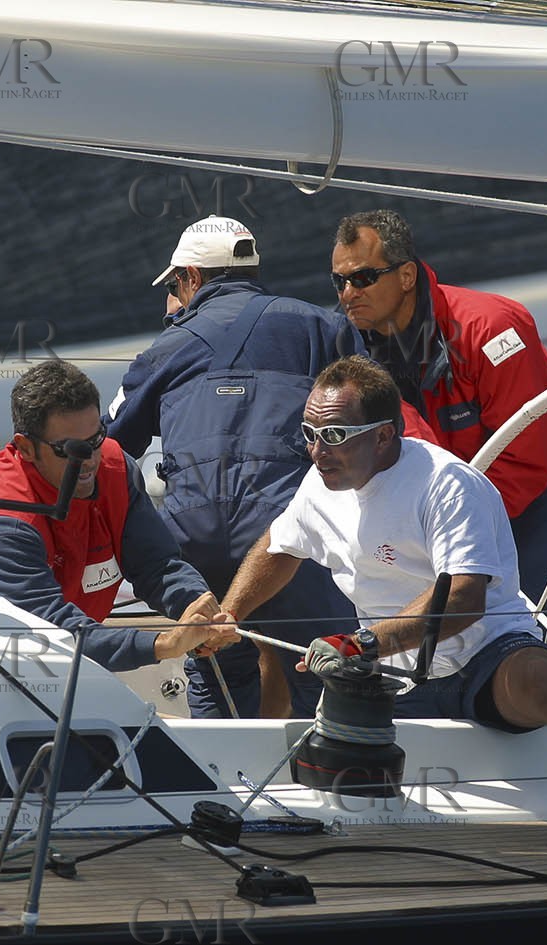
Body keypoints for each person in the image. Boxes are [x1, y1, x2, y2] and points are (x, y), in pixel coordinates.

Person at [217, 357, 547, 870]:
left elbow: (465, 599)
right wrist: (226, 615)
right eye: (308, 432)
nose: (316, 449)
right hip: (393, 672)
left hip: (485, 656)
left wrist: (363, 644)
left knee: (544, 680)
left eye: (333, 434)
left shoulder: (446, 483)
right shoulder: (321, 483)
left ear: (382, 436)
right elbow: (281, 545)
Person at [108, 215, 366, 719]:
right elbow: (376, 419)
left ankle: (226, 787)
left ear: (191, 278)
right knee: (331, 672)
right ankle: (338, 786)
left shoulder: (166, 347)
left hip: (194, 543)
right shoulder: (326, 326)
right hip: (291, 541)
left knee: (216, 673)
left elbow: (111, 449)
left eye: (175, 284)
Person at [331, 209, 547, 610]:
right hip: (461, 488)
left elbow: (526, 457)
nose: (348, 293)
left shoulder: (492, 328)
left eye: (363, 278)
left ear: (406, 276)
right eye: (339, 281)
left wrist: (458, 528)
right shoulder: (348, 345)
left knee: (530, 615)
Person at [0, 360, 232, 674]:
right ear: (25, 448)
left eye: (95, 441)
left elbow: (156, 565)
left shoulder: (115, 468)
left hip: (70, 665)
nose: (89, 461)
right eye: (70, 450)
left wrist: (197, 608)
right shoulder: (1, 522)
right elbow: (53, 633)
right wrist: (165, 645)